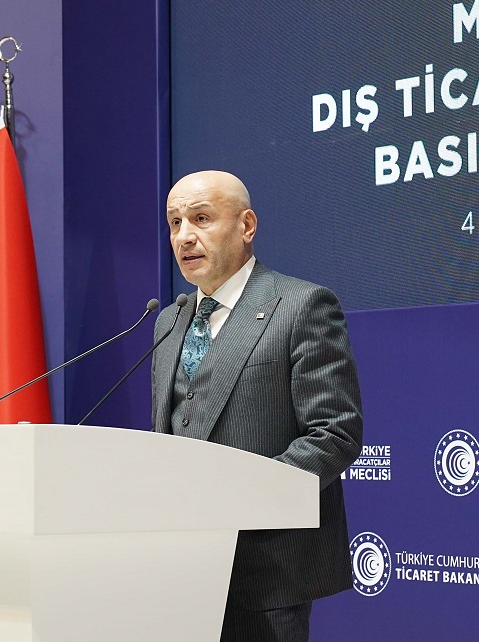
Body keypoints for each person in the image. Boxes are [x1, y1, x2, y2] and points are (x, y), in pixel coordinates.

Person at [150, 170, 363, 641]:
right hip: (180, 568)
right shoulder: (169, 321)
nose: (184, 236)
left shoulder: (301, 306)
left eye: (201, 218)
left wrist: (238, 499)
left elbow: (334, 434)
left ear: (246, 226)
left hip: (265, 570)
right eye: (175, 222)